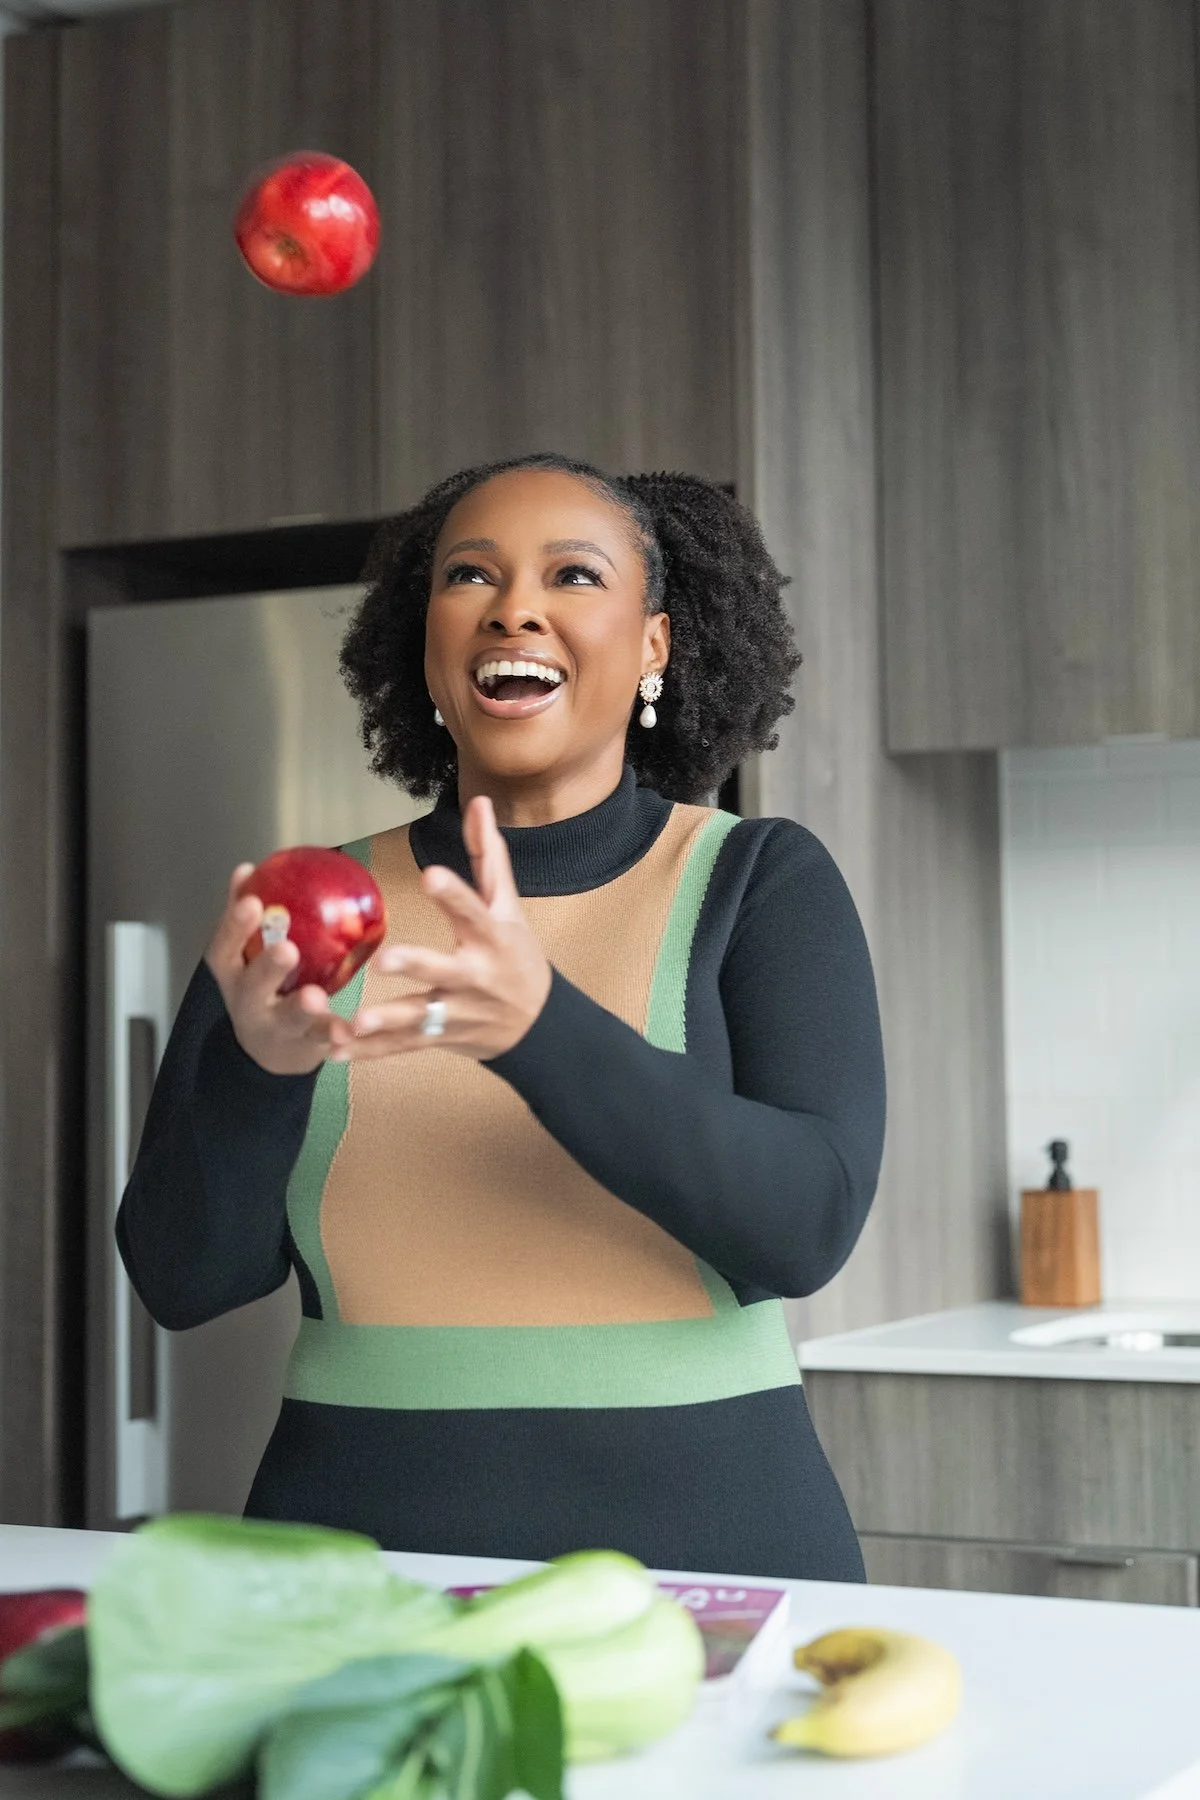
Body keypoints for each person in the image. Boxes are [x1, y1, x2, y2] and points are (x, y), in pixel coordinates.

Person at [117, 451, 886, 1580]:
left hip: (712, 1565)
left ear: (655, 644)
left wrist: (541, 1030)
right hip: (354, 1569)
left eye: (573, 575)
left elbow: (805, 1227)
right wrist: (260, 1070)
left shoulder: (756, 880)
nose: (512, 607)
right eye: (469, 575)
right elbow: (183, 1280)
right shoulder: (311, 904)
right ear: (427, 643)